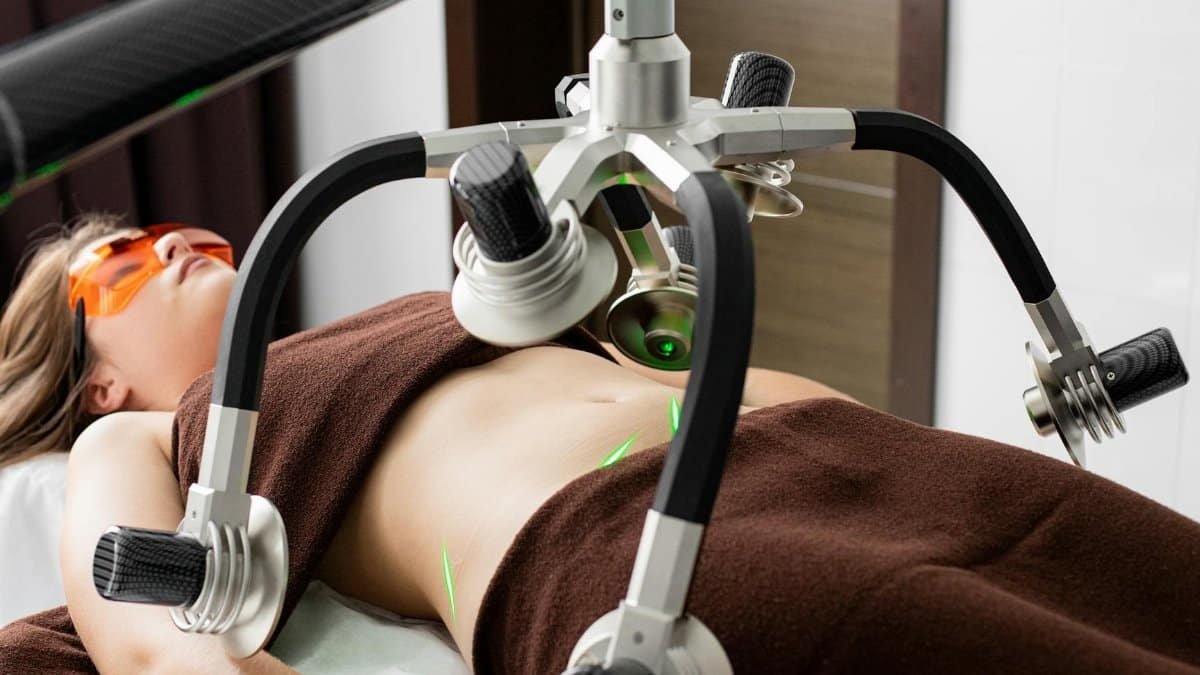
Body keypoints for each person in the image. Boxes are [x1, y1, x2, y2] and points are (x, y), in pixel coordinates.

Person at [0, 214, 848, 673]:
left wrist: (877, 434)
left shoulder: (398, 323)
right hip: (644, 561)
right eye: (120, 265)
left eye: (172, 234)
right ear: (95, 380)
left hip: (829, 455)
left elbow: (694, 385)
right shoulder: (134, 437)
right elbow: (160, 654)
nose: (174, 243)